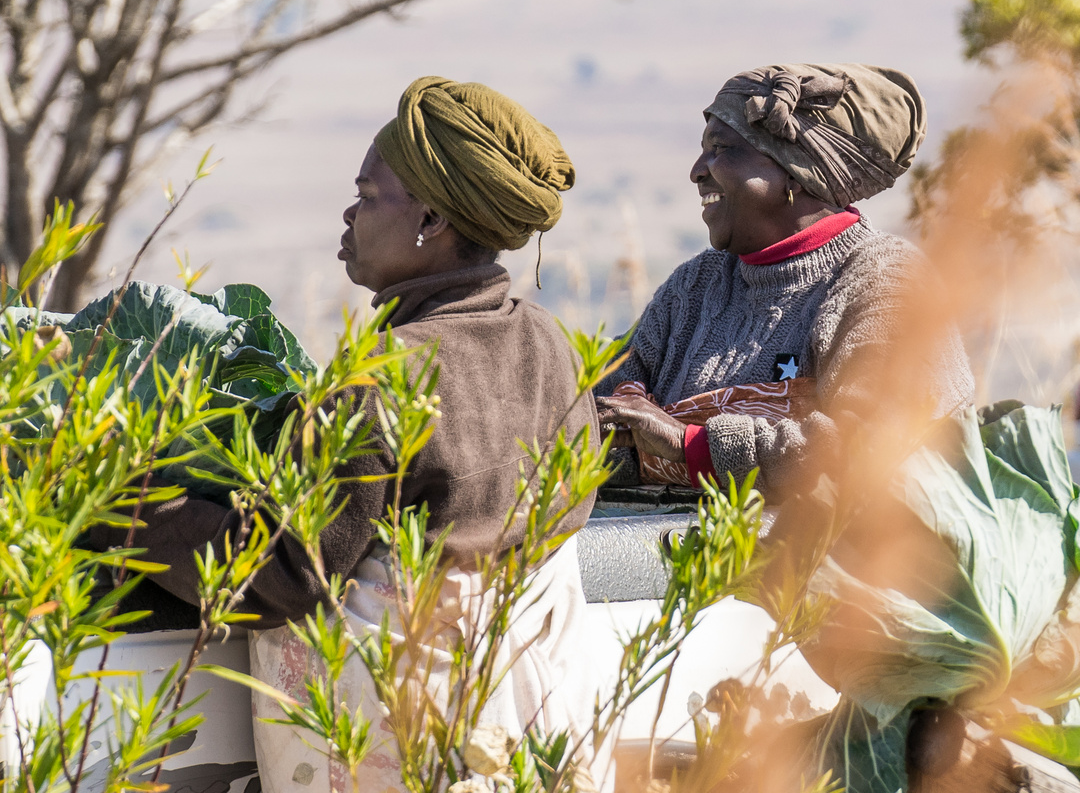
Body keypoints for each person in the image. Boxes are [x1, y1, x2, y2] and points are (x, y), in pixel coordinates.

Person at [92, 77, 603, 791]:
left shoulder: (387, 376)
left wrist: (117, 504)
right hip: (535, 735)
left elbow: (283, 572)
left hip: (403, 746)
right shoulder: (552, 345)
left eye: (366, 197)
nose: (348, 215)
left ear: (429, 218)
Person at [595, 62, 974, 501]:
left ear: (795, 172)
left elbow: (866, 453)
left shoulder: (888, 285)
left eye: (722, 149)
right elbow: (596, 407)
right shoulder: (697, 285)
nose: (697, 170)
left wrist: (686, 445)